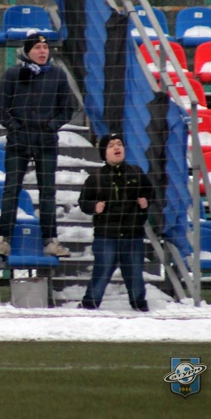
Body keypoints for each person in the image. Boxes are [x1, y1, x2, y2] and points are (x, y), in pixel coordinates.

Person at [0, 31, 74, 258]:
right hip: (19, 141)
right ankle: (3, 240)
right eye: (37, 48)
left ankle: (51, 241)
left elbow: (67, 108)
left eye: (45, 48)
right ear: (27, 52)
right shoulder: (13, 74)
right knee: (11, 189)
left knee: (48, 191)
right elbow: (0, 109)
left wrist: (51, 126)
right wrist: (15, 127)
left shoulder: (57, 75)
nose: (42, 51)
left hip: (46, 142)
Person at [78, 133, 153, 311]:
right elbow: (83, 202)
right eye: (111, 145)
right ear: (104, 153)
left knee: (134, 272)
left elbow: (150, 192)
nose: (117, 147)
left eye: (119, 144)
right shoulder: (95, 177)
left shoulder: (136, 172)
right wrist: (94, 206)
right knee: (102, 269)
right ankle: (90, 303)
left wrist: (146, 201)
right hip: (106, 235)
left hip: (133, 233)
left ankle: (139, 304)